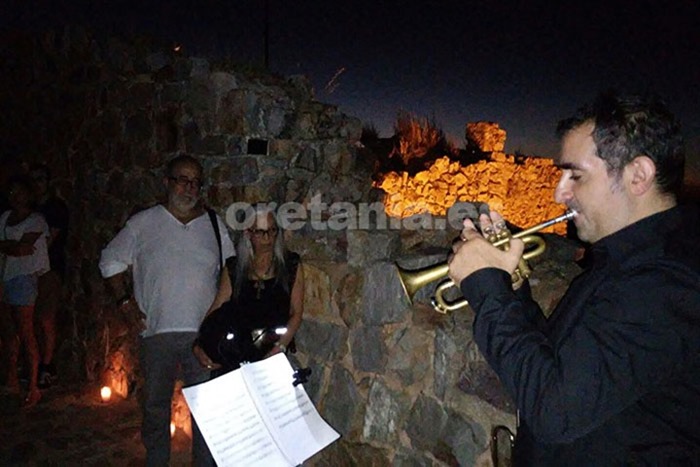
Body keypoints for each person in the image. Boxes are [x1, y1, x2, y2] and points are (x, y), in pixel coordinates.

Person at [448, 91, 700, 465]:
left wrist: (486, 288)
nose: (559, 192)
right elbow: (555, 361)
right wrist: (510, 286)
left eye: (575, 175)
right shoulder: (622, 264)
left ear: (638, 175)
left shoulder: (669, 283)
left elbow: (555, 410)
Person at [99, 155, 235, 467]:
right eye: (182, 180)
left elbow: (231, 271)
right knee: (155, 408)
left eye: (195, 182)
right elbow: (109, 261)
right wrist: (125, 303)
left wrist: (220, 319)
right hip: (156, 332)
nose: (189, 188)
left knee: (207, 412)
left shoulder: (214, 226)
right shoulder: (143, 223)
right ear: (167, 183)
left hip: (203, 336)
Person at [194, 204, 304, 375]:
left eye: (272, 230)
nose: (267, 238)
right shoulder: (234, 268)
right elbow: (217, 306)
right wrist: (200, 343)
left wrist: (280, 346)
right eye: (260, 232)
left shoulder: (290, 265)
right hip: (236, 352)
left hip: (272, 351)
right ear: (248, 233)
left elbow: (296, 312)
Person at [0, 175, 50, 407]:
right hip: (6, 276)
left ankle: (33, 385)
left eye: (19, 191)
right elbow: (13, 247)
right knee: (9, 332)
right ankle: (12, 379)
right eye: (11, 191)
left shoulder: (37, 220)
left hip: (23, 279)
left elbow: (22, 249)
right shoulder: (4, 218)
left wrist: (11, 246)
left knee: (26, 331)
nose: (14, 196)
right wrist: (11, 247)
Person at [29, 163, 69, 388]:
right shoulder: (29, 209)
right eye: (33, 179)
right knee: (32, 319)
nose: (37, 184)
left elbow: (47, 242)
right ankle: (35, 364)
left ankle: (47, 364)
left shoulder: (55, 209)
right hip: (28, 270)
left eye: (41, 179)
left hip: (49, 268)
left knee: (46, 317)